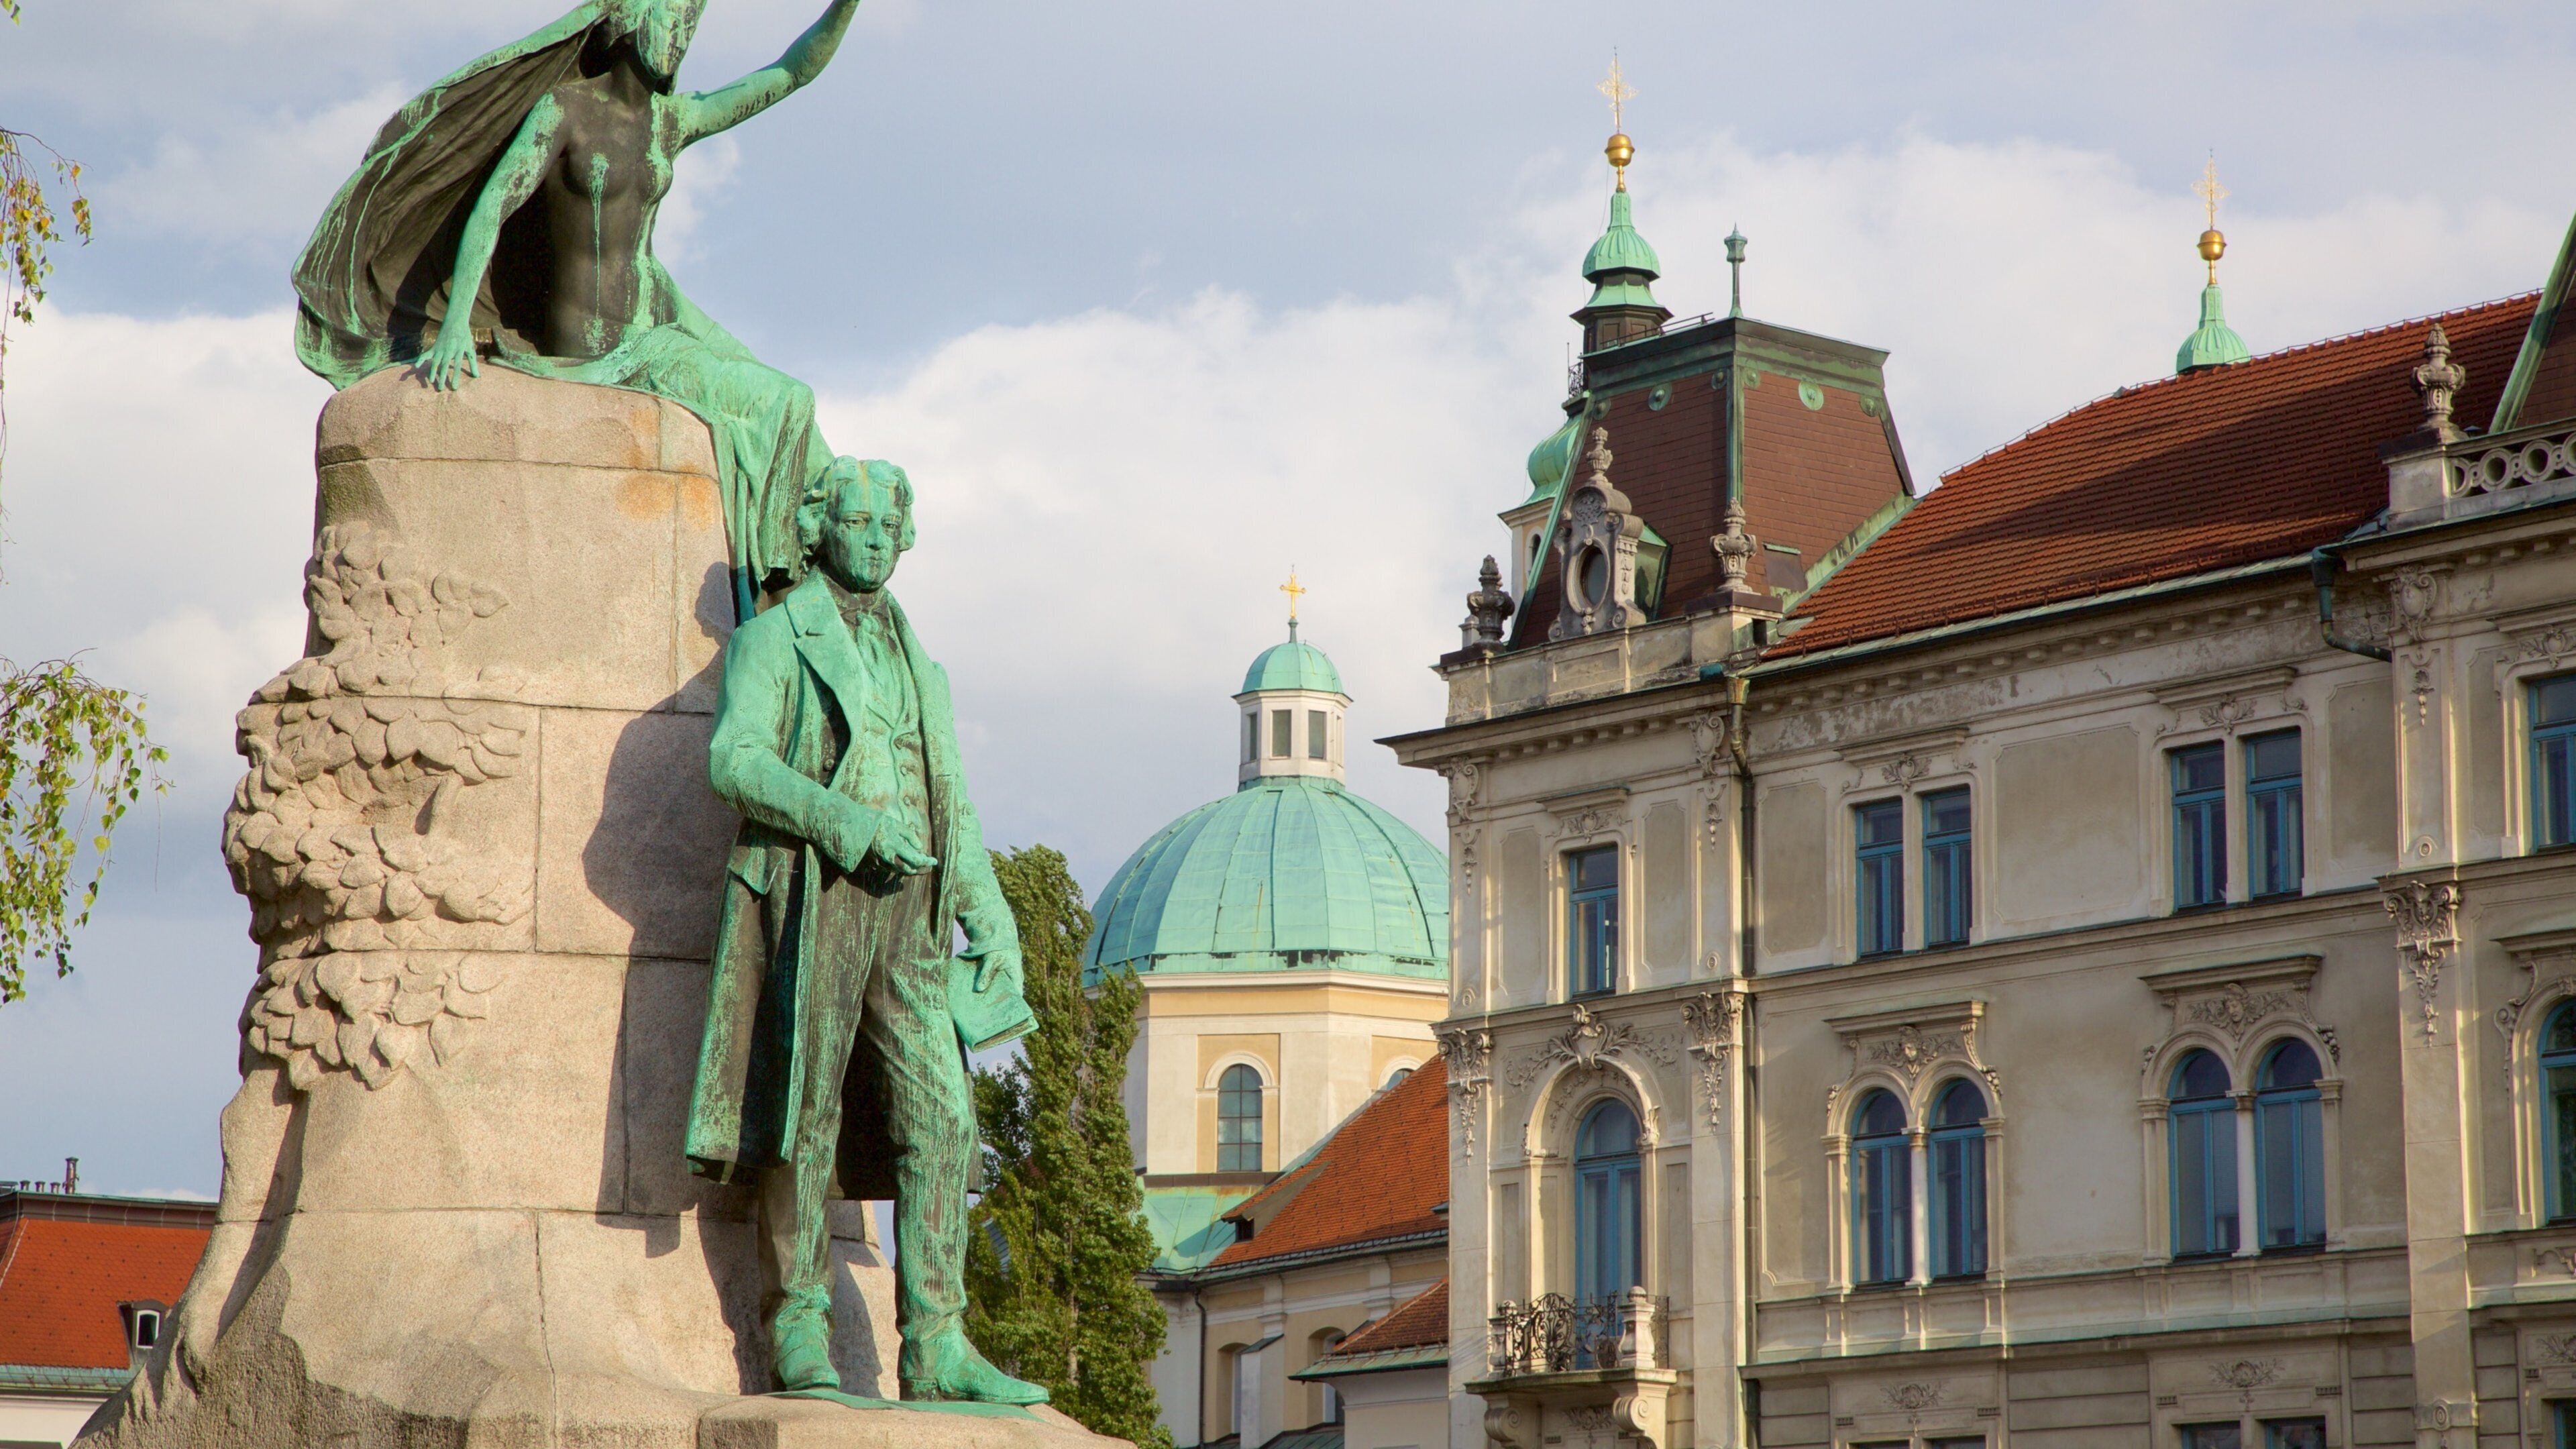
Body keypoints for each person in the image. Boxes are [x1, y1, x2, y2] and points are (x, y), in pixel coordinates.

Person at [291, 0, 862, 618]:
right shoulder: (565, 109)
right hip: (609, 344)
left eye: (690, 26)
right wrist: (456, 324)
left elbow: (791, 71)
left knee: (810, 440)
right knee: (787, 400)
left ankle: (830, 565)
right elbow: (493, 206)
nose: (680, 36)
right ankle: (777, 590)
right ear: (628, 22)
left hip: (660, 311)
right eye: (671, 17)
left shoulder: (672, 121)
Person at [682, 456, 1046, 1407]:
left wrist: (993, 919)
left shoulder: (923, 664)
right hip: (816, 893)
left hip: (913, 914)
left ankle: (937, 1345)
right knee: (807, 1110)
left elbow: (950, 800)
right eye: (857, 521)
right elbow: (734, 760)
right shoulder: (772, 637)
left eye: (892, 526)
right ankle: (798, 1323)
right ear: (818, 530)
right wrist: (845, 824)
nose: (878, 539)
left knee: (947, 1119)